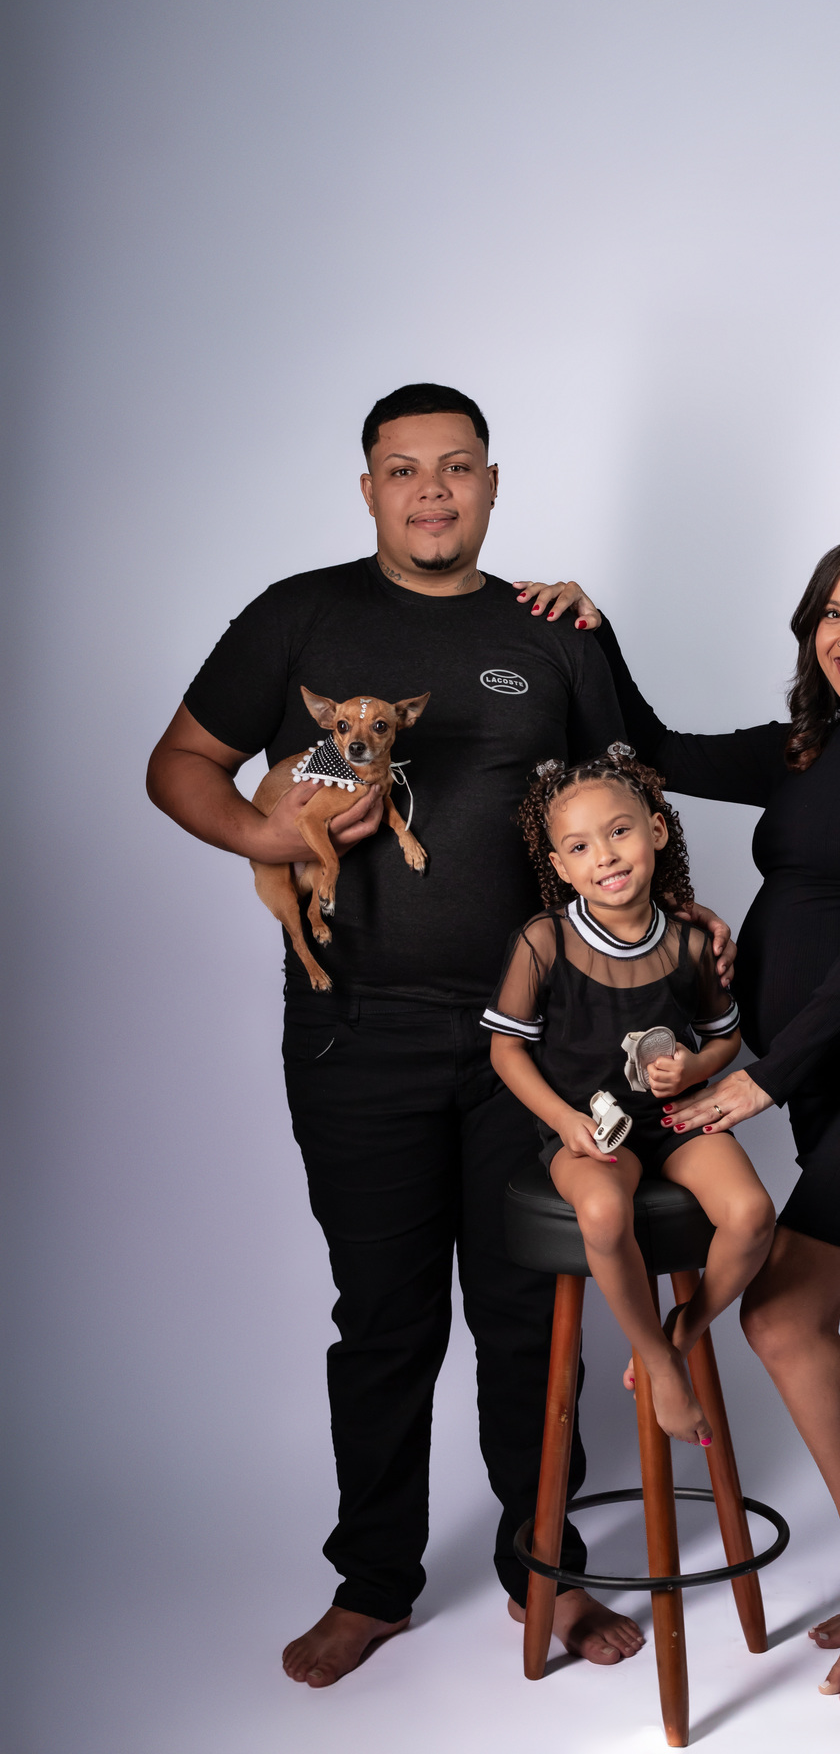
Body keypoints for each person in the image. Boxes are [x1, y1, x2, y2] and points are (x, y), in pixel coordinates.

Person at [145, 383, 735, 1688]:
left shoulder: (550, 632)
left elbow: (631, 808)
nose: (431, 491)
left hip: (540, 1040)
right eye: (403, 469)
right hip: (355, 1030)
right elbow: (179, 762)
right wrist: (261, 829)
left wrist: (685, 925)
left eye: (456, 467)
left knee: (527, 1315)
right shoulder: (298, 615)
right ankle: (373, 1584)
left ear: (492, 483)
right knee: (385, 1318)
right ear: (368, 488)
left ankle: (547, 1573)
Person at [520, 533, 840, 1704]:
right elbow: (653, 749)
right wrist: (595, 632)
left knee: (785, 1314)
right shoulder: (806, 746)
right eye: (832, 613)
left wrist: (772, 1075)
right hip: (838, 1063)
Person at [487, 747, 775, 1444]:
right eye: (580, 846)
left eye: (619, 831)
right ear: (560, 867)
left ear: (657, 830)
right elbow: (505, 1049)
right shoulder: (545, 941)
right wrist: (563, 1120)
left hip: (674, 1120)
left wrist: (696, 1067)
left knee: (752, 1214)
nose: (605, 856)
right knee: (604, 1212)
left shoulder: (690, 945)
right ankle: (659, 1364)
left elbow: (726, 1039)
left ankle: (681, 1334)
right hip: (588, 1130)